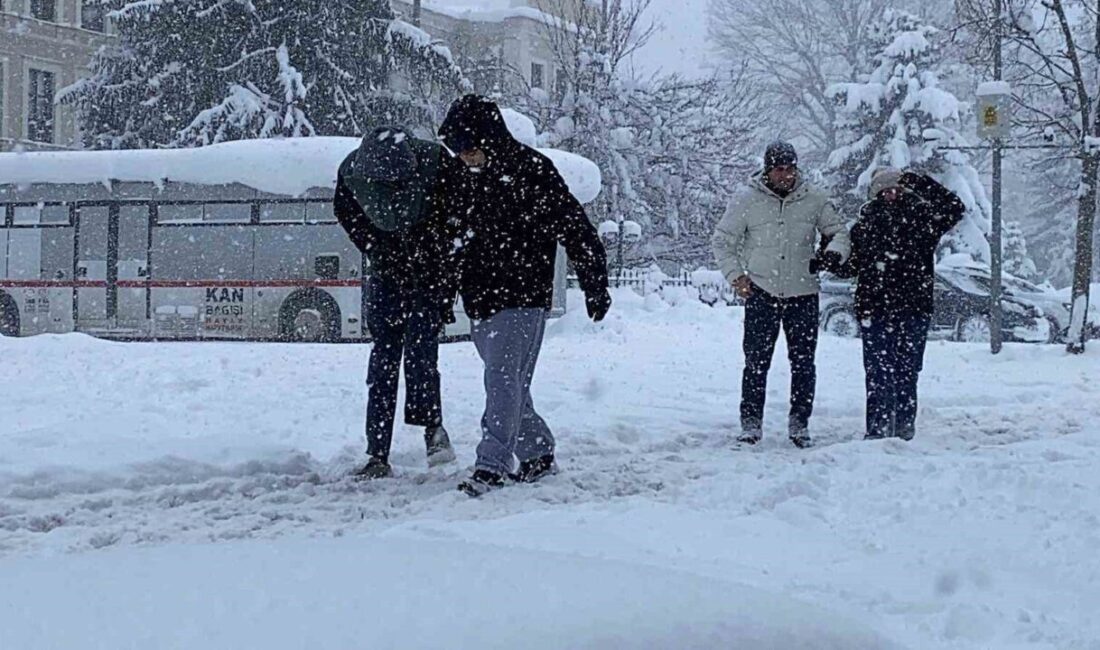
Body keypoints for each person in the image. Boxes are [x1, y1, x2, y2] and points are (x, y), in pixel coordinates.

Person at [438, 95, 611, 497]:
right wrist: (445, 291)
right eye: (458, 150)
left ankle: (492, 465)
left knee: (502, 381)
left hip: (522, 295)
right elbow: (453, 238)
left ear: (488, 137)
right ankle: (537, 452)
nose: (464, 157)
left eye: (468, 147)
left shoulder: (532, 171)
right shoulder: (463, 176)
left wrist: (594, 282)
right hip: (480, 298)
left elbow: (575, 227)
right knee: (511, 383)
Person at [334, 125, 469, 479]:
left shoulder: (439, 163)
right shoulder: (351, 173)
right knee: (385, 360)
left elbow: (460, 217)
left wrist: (440, 261)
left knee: (421, 353)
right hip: (388, 274)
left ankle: (432, 430)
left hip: (429, 272)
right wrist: (377, 247)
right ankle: (379, 451)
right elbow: (348, 215)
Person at [711, 141, 851, 448]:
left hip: (803, 292)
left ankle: (800, 423)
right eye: (778, 169)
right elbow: (722, 241)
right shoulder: (747, 200)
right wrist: (736, 276)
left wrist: (833, 254)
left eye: (790, 169)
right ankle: (751, 422)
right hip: (762, 291)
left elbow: (839, 233)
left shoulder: (815, 198)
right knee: (756, 362)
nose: (785, 175)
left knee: (803, 363)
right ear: (767, 170)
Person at [829, 168, 964, 440]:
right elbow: (852, 266)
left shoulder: (922, 219)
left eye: (896, 189)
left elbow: (954, 208)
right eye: (885, 190)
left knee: (907, 371)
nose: (891, 194)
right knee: (878, 373)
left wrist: (922, 183)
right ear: (876, 194)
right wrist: (830, 260)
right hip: (875, 309)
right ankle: (877, 429)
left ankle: (903, 428)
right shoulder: (865, 226)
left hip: (913, 308)